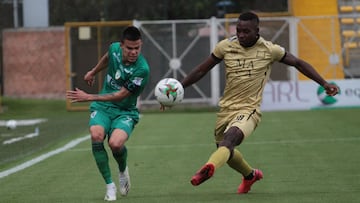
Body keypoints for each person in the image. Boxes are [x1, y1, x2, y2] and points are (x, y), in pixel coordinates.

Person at [179, 12, 339, 194]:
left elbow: (298, 63)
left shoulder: (270, 50)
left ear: (257, 31)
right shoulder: (226, 46)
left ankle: (208, 168)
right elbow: (201, 69)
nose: (241, 35)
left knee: (230, 140)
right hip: (226, 109)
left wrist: (324, 83)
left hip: (250, 109)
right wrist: (180, 87)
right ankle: (250, 175)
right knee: (226, 150)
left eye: (246, 31)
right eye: (238, 31)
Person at [66, 26, 150, 201]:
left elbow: (121, 95)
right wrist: (92, 71)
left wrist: (88, 96)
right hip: (103, 108)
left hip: (125, 111)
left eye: (137, 48)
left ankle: (122, 169)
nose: (134, 52)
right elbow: (107, 58)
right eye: (129, 48)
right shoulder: (114, 49)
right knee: (96, 135)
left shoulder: (142, 70)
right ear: (121, 46)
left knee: (115, 144)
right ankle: (109, 185)